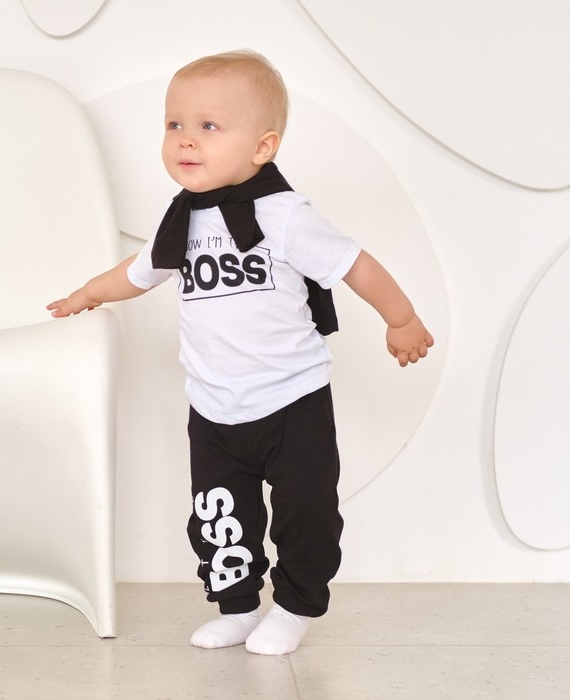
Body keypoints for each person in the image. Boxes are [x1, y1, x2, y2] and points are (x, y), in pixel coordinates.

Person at [47, 50, 434, 655]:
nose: (185, 139)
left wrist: (401, 319)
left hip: (291, 399)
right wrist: (89, 293)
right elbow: (141, 271)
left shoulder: (283, 215)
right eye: (174, 124)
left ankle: (294, 606)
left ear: (262, 147)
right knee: (220, 515)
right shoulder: (181, 220)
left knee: (305, 512)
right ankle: (238, 607)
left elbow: (353, 264)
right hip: (214, 405)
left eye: (208, 126)